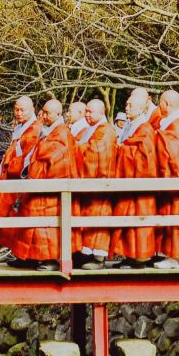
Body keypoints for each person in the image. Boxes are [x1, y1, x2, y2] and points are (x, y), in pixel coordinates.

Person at [10, 99, 77, 270]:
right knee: (29, 219)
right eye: (44, 112)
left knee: (47, 226)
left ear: (58, 114)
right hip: (37, 183)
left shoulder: (62, 133)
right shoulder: (48, 131)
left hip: (50, 188)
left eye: (48, 113)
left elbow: (59, 159)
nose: (44, 115)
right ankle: (29, 256)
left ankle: (49, 259)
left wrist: (40, 158)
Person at [111, 88, 159, 267]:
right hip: (129, 181)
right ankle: (129, 255)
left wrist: (122, 149)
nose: (127, 107)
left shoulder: (145, 129)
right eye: (127, 104)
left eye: (131, 105)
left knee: (138, 223)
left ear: (141, 109)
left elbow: (143, 156)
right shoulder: (132, 125)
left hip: (139, 182)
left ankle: (140, 257)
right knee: (128, 222)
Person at [0, 97, 40, 254]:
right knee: (11, 218)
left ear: (32, 109)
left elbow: (27, 159)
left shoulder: (35, 129)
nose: (18, 113)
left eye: (22, 110)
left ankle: (26, 255)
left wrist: (8, 166)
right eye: (16, 109)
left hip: (22, 180)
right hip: (11, 179)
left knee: (22, 219)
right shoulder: (20, 127)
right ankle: (18, 253)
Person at [74, 99, 118, 268]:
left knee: (98, 218)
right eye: (86, 111)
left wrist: (77, 147)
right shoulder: (93, 129)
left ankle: (98, 257)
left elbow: (97, 153)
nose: (86, 114)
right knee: (89, 218)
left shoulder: (106, 130)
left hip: (101, 184)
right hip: (90, 184)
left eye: (90, 111)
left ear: (101, 112)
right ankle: (87, 253)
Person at [152, 89, 179, 269]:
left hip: (174, 177)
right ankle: (168, 254)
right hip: (168, 177)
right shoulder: (169, 123)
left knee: (174, 215)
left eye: (160, 103)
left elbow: (174, 152)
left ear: (166, 104)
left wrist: (157, 135)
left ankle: (175, 257)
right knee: (167, 215)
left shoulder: (177, 125)